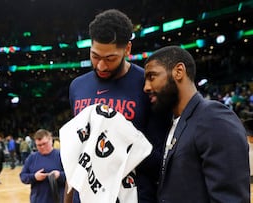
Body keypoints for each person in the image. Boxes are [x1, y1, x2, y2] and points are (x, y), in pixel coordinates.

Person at [67, 9, 170, 203]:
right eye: (95, 56)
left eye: (110, 58)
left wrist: (118, 145)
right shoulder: (77, 87)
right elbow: (77, 152)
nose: (101, 66)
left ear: (127, 49)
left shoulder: (148, 85)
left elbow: (161, 158)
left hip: (135, 195)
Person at [143, 45, 250, 202]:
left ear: (178, 71)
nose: (146, 87)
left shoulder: (214, 118)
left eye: (152, 76)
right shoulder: (176, 122)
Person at [20, 129, 66, 203]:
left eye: (45, 143)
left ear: (51, 140)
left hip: (59, 199)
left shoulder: (62, 156)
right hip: (38, 200)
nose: (42, 147)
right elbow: (23, 176)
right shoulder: (32, 158)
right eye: (39, 145)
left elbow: (72, 178)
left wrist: (59, 175)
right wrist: (34, 177)